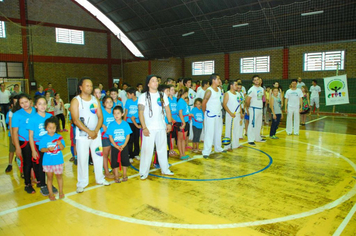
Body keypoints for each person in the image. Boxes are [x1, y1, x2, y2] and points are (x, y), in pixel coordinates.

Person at [70, 77, 110, 193]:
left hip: (95, 135)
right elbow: (76, 120)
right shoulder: (76, 101)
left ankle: (100, 178)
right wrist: (89, 132)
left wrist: (96, 131)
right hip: (83, 136)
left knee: (98, 156)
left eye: (91, 86)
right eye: (87, 86)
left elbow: (100, 117)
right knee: (83, 159)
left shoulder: (94, 100)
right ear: (81, 87)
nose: (90, 88)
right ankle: (82, 183)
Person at [138, 75, 174, 180]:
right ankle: (143, 172)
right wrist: (144, 127)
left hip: (161, 127)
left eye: (156, 81)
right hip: (149, 128)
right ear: (148, 84)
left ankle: (165, 169)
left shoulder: (162, 95)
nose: (155, 83)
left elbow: (167, 110)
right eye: (152, 81)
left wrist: (170, 123)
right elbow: (140, 113)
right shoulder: (143, 96)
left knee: (162, 149)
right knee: (147, 150)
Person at [28, 96, 54, 196]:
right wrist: (33, 150)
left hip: (50, 146)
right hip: (39, 146)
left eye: (44, 103)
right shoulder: (33, 119)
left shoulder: (49, 117)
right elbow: (30, 136)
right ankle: (42, 184)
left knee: (50, 165)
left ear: (47, 105)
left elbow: (53, 132)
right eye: (40, 104)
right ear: (35, 106)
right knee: (41, 166)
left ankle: (49, 183)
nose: (42, 106)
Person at [12, 94, 37, 193]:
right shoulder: (17, 114)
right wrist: (17, 148)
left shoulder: (36, 111)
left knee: (37, 162)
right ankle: (27, 184)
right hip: (25, 141)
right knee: (27, 163)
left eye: (26, 102)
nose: (25, 104)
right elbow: (14, 132)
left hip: (36, 140)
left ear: (30, 101)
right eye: (22, 103)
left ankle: (38, 180)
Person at [39, 117, 65, 201]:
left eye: (53, 128)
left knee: (59, 176)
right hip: (47, 162)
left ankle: (61, 192)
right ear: (46, 128)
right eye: (49, 128)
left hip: (58, 161)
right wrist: (47, 149)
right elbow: (41, 149)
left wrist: (60, 143)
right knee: (49, 177)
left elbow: (62, 148)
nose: (52, 130)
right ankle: (50, 193)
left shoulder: (59, 137)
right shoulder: (44, 138)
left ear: (56, 127)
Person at [202, 74, 225, 158]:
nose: (219, 80)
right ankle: (206, 151)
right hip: (210, 115)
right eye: (218, 79)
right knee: (209, 133)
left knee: (218, 132)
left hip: (218, 114)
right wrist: (204, 114)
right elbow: (203, 103)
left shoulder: (219, 89)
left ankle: (218, 148)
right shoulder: (209, 91)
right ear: (213, 80)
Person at [107, 106, 132, 183]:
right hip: (115, 146)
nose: (116, 115)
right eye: (114, 114)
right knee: (115, 162)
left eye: (118, 113)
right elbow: (110, 136)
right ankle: (116, 175)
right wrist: (115, 145)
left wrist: (124, 145)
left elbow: (128, 135)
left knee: (125, 161)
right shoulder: (111, 125)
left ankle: (124, 174)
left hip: (123, 146)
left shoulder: (125, 124)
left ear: (122, 114)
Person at [245, 75, 266, 146]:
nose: (256, 81)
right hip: (254, 108)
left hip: (260, 108)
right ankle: (250, 139)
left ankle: (257, 138)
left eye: (258, 79)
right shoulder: (252, 89)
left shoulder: (261, 89)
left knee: (258, 124)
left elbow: (261, 99)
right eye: (255, 80)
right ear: (253, 81)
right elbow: (247, 100)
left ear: (260, 80)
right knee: (252, 124)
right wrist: (248, 108)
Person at [223, 80, 243, 150]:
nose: (237, 86)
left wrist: (241, 113)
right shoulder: (227, 94)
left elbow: (239, 104)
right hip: (230, 115)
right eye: (236, 85)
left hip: (237, 115)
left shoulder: (238, 94)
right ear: (231, 85)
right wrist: (230, 113)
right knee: (229, 130)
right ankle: (227, 146)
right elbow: (224, 104)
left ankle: (235, 144)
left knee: (236, 130)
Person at [100, 96, 115, 178]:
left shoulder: (114, 111)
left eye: (111, 102)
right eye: (107, 102)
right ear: (104, 104)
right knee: (105, 154)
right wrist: (103, 125)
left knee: (112, 154)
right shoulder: (102, 112)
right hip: (105, 136)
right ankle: (106, 172)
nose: (109, 104)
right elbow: (99, 122)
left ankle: (113, 170)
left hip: (113, 136)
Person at [125, 87, 141, 162]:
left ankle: (136, 154)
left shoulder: (139, 101)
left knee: (136, 138)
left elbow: (141, 111)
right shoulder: (128, 101)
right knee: (130, 139)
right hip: (129, 123)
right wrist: (124, 122)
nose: (127, 95)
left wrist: (135, 117)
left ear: (132, 94)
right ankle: (130, 155)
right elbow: (126, 112)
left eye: (128, 94)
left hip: (137, 122)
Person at [4, 95, 19, 173]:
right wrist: (13, 137)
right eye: (15, 102)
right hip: (12, 134)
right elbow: (9, 124)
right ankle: (10, 164)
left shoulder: (21, 112)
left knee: (20, 150)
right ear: (12, 104)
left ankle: (20, 162)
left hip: (20, 135)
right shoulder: (10, 113)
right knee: (11, 150)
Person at [176, 87, 190, 160]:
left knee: (183, 139)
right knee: (180, 139)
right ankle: (181, 154)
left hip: (185, 121)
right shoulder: (181, 101)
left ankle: (183, 153)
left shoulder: (183, 101)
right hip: (182, 122)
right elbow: (180, 113)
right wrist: (183, 123)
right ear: (185, 93)